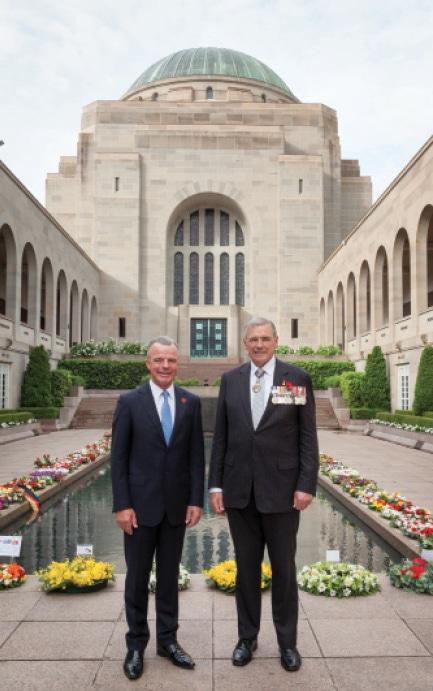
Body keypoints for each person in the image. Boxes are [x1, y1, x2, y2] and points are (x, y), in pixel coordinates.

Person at [208, 317, 319, 672]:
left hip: (283, 495)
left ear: (276, 341)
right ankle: (247, 638)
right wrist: (216, 485)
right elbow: (220, 438)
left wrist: (305, 484)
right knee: (246, 571)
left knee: (284, 571)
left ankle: (288, 643)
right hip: (240, 494)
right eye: (253, 339)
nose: (259, 345)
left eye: (265, 339)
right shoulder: (231, 380)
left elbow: (306, 437)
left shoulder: (294, 379)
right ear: (245, 342)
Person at [111, 336, 205, 681]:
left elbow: (197, 457)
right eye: (158, 360)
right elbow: (118, 459)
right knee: (136, 580)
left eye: (171, 361)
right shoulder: (129, 402)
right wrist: (122, 505)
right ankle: (136, 644)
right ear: (148, 364)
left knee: (168, 580)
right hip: (138, 509)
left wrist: (196, 499)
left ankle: (167, 641)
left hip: (176, 510)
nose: (165, 366)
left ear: (177, 364)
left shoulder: (190, 402)